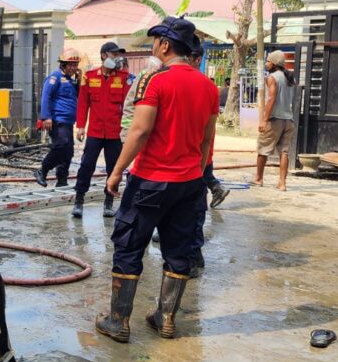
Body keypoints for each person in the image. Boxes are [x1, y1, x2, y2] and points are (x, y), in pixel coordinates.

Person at [94, 17, 219, 343]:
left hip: (150, 180)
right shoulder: (208, 86)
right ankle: (165, 318)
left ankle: (118, 321)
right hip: (190, 183)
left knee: (128, 245)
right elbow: (207, 139)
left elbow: (140, 129)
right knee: (179, 251)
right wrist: (197, 172)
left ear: (165, 44)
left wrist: (118, 170)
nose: (153, 46)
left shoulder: (155, 80)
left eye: (155, 41)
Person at [71, 42, 134, 219]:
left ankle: (108, 203)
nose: (117, 58)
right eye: (114, 55)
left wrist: (128, 130)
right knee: (86, 166)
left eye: (118, 55)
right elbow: (83, 104)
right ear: (103, 55)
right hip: (95, 132)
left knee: (114, 169)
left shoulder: (124, 77)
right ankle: (79, 201)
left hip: (115, 133)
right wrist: (81, 126)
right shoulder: (89, 77)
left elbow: (129, 106)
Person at [186, 37, 230, 277]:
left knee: (194, 206)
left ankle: (194, 254)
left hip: (196, 156)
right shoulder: (202, 85)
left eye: (190, 57)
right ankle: (193, 253)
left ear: (197, 59)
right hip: (192, 156)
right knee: (192, 206)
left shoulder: (206, 87)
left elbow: (207, 131)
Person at [34, 48, 82, 187]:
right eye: (70, 65)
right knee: (61, 146)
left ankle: (62, 180)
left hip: (68, 122)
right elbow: (46, 96)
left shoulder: (72, 81)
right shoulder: (54, 78)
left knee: (68, 152)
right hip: (56, 121)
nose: (73, 68)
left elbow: (80, 95)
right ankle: (42, 171)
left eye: (75, 65)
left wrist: (79, 81)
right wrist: (46, 117)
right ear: (63, 64)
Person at [255, 49, 296, 192]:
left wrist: (264, 120)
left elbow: (271, 99)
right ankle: (282, 183)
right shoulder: (290, 78)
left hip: (275, 120)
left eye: (268, 61)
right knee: (284, 152)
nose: (266, 64)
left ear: (274, 63)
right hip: (288, 120)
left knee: (263, 150)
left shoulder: (272, 77)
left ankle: (258, 179)